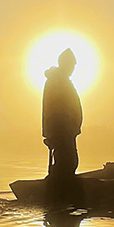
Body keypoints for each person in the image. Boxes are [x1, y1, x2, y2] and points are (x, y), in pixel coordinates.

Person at [42, 48, 83, 178]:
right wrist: (51, 134)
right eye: (71, 65)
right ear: (64, 64)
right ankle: (58, 190)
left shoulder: (63, 81)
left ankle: (60, 186)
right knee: (67, 162)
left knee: (70, 162)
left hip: (68, 131)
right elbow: (52, 109)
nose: (73, 69)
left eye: (73, 66)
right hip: (61, 131)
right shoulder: (56, 81)